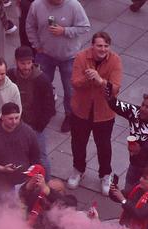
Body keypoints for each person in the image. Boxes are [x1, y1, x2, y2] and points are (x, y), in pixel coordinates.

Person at [25, 0, 90, 134]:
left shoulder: (73, 5)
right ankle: (46, 110)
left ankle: (69, 115)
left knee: (70, 89)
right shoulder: (37, 5)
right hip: (45, 54)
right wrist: (36, 45)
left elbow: (84, 26)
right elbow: (30, 26)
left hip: (69, 56)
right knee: (41, 85)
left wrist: (64, 31)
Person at [68, 32, 122, 194]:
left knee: (104, 145)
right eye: (99, 45)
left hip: (104, 112)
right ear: (92, 45)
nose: (103, 49)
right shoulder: (81, 57)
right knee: (78, 143)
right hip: (81, 110)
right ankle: (78, 169)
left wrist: (100, 81)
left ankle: (105, 174)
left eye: (106, 46)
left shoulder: (115, 60)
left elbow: (115, 89)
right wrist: (88, 78)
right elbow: (75, 83)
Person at [11, 45, 57, 177]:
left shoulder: (42, 80)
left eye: (29, 63)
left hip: (35, 126)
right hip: (16, 123)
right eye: (22, 63)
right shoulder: (11, 75)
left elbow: (49, 107)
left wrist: (39, 126)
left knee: (41, 156)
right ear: (16, 62)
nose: (26, 67)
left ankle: (46, 182)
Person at [0, 102, 42, 189]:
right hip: (1, 184)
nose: (14, 122)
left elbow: (35, 158)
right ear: (2, 117)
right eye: (10, 119)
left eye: (17, 118)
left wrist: (33, 177)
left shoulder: (28, 132)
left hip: (24, 181)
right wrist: (3, 169)